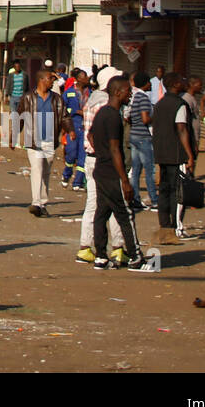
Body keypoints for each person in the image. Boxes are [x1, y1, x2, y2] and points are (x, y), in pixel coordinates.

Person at [88, 74, 146, 271]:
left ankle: (101, 257)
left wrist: (100, 153)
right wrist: (125, 180)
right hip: (112, 173)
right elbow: (115, 149)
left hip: (101, 170)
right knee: (125, 215)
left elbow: (90, 135)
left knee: (101, 213)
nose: (130, 95)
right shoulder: (113, 116)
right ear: (118, 92)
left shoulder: (102, 113)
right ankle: (136, 257)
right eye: (128, 91)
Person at [77, 66, 127, 266]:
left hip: (91, 158)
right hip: (104, 159)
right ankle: (117, 248)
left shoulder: (92, 99)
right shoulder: (106, 105)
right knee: (115, 204)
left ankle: (86, 247)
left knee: (94, 205)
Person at [151, 71, 196, 245]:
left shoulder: (160, 104)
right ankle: (176, 228)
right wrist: (189, 155)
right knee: (179, 193)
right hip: (177, 155)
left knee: (164, 191)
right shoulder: (180, 104)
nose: (185, 82)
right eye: (182, 80)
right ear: (176, 85)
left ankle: (165, 226)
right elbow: (182, 129)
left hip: (161, 154)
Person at [22, 68, 62, 217]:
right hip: (33, 141)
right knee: (37, 168)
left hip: (50, 141)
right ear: (41, 80)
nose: (53, 82)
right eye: (50, 79)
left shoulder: (57, 99)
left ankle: (43, 203)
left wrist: (70, 130)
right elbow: (20, 115)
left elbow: (64, 116)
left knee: (46, 171)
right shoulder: (28, 98)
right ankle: (36, 202)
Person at [127, 70, 157, 210]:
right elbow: (145, 118)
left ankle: (135, 199)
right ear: (145, 83)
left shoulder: (135, 97)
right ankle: (154, 199)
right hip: (143, 137)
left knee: (136, 170)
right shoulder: (144, 98)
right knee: (149, 170)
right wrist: (155, 118)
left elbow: (129, 117)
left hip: (134, 134)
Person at [60, 69, 87, 191]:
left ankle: (78, 182)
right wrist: (76, 112)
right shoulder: (69, 92)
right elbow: (62, 109)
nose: (86, 78)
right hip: (72, 126)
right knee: (71, 154)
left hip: (85, 127)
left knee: (83, 155)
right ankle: (66, 175)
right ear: (77, 79)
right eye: (84, 76)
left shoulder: (90, 93)